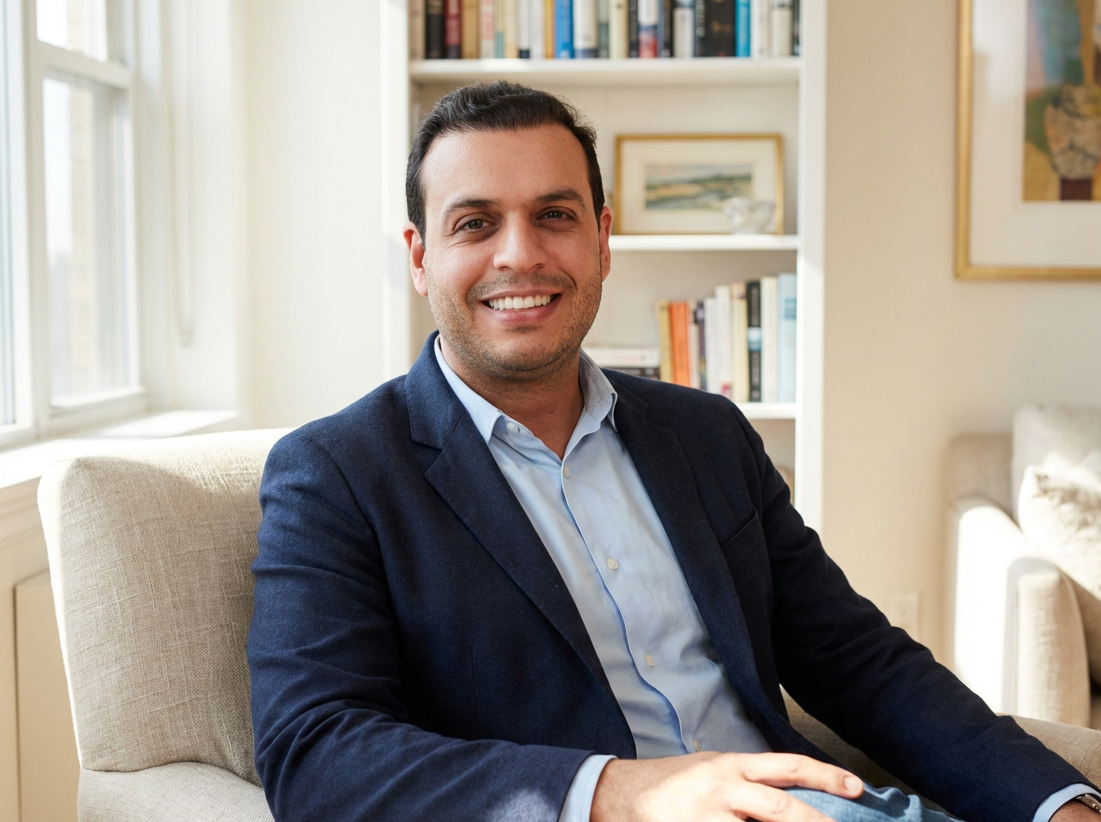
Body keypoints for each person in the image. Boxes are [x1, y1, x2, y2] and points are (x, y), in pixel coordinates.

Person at [247, 82, 1098, 822]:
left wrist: (1052, 804)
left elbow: (858, 665)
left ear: (602, 239)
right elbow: (317, 755)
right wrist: (621, 794)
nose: (520, 253)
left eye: (555, 215)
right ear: (420, 256)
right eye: (475, 223)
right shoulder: (337, 473)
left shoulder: (707, 434)